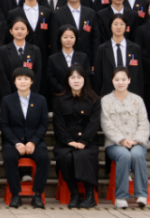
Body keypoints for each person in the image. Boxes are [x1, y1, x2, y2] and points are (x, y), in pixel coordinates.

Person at [101, 67, 150, 208]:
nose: (120, 82)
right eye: (117, 79)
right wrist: (122, 140)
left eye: (123, 79)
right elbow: (106, 124)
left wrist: (135, 140)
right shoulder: (106, 100)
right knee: (124, 156)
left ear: (129, 80)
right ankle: (121, 197)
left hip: (137, 142)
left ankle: (141, 195)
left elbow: (144, 123)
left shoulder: (137, 100)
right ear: (112, 81)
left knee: (137, 155)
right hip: (114, 144)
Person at [0, 67, 49, 209]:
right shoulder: (7, 100)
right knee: (9, 158)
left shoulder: (40, 100)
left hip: (35, 141)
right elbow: (4, 125)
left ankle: (37, 195)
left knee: (44, 158)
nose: (23, 81)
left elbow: (44, 124)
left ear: (31, 81)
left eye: (26, 79)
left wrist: (33, 141)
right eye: (19, 79)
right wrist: (16, 143)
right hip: (13, 141)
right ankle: (15, 195)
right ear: (14, 82)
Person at [52, 65, 101, 208]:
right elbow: (58, 124)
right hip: (66, 142)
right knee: (66, 157)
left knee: (84, 155)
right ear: (67, 80)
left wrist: (84, 141)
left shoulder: (94, 100)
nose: (76, 80)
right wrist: (70, 142)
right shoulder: (59, 100)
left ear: (85, 79)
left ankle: (90, 195)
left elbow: (94, 123)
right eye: (72, 77)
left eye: (79, 77)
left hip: (88, 142)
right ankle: (74, 194)